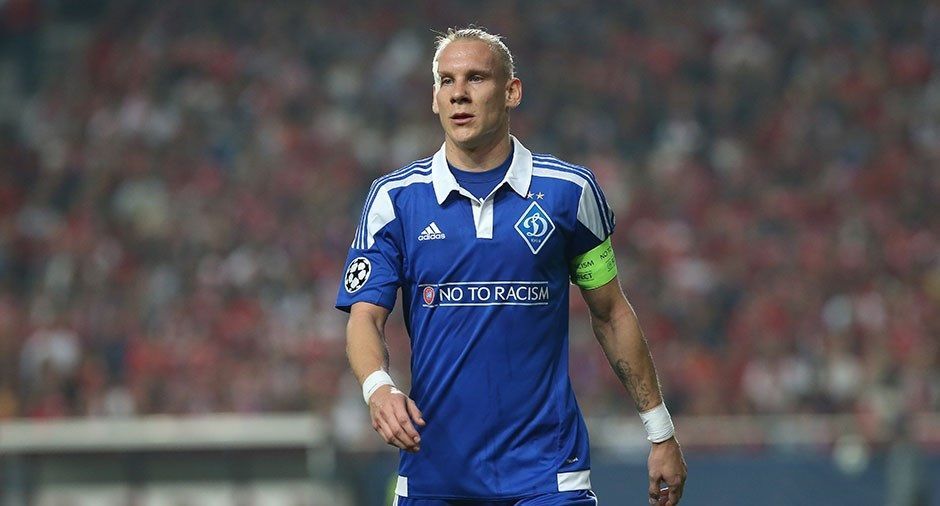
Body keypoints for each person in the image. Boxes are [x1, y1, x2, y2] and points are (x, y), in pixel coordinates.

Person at [336, 27, 687, 505]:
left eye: (476, 78)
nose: (459, 93)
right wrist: (378, 389)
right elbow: (364, 317)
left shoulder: (569, 193)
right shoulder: (395, 199)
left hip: (549, 473)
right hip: (434, 472)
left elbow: (610, 312)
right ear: (434, 99)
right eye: (446, 81)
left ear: (512, 92)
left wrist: (660, 432)